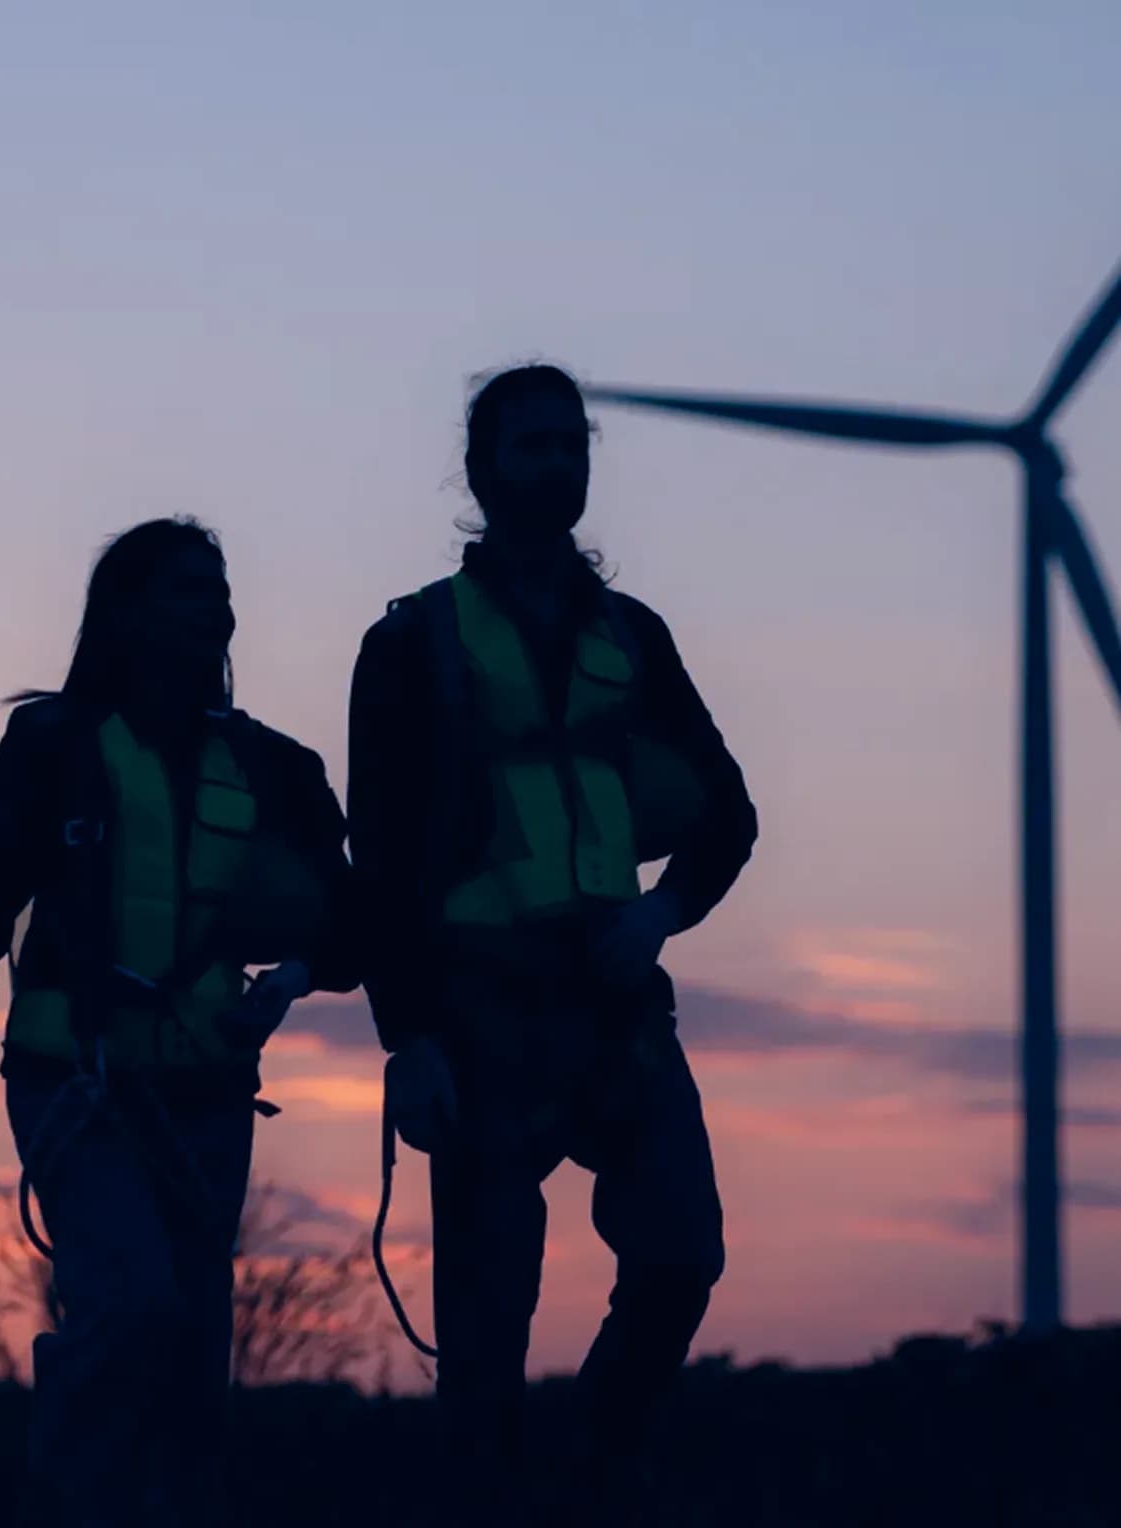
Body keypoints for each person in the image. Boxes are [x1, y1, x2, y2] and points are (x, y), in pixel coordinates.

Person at [348, 364, 757, 1522]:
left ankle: (588, 1471)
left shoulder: (635, 635)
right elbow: (380, 867)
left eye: (572, 442)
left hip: (616, 1005)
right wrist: (409, 1041)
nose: (558, 462)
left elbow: (729, 814)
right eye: (532, 444)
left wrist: (658, 914)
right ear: (480, 470)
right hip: (477, 1014)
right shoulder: (413, 642)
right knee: (484, 1338)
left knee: (681, 1256)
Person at [0, 517, 357, 1528]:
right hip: (75, 1081)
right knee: (130, 1308)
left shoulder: (275, 767)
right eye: (186, 587)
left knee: (197, 1361)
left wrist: (292, 977)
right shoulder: (50, 744)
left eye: (220, 588)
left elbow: (350, 917)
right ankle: (66, 1498)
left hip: (210, 1090)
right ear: (125, 611)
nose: (214, 606)